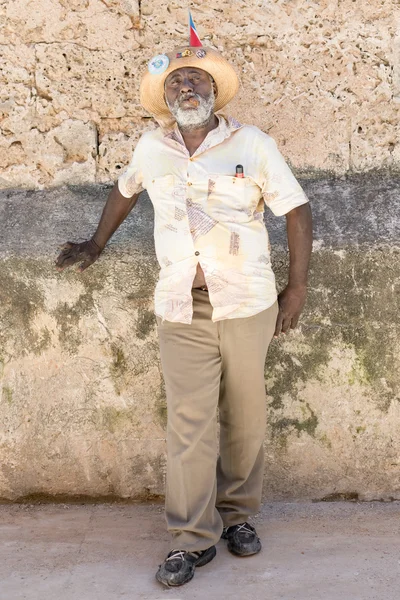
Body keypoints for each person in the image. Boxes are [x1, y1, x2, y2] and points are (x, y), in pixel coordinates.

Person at [56, 25, 312, 589]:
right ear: (167, 98)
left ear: (214, 92)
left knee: (245, 415)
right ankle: (191, 539)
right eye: (177, 80)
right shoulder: (152, 148)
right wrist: (96, 244)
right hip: (181, 303)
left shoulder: (253, 144)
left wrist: (296, 290)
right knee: (189, 423)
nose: (188, 85)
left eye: (197, 77)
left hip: (246, 301)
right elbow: (125, 189)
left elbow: (295, 210)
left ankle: (239, 516)